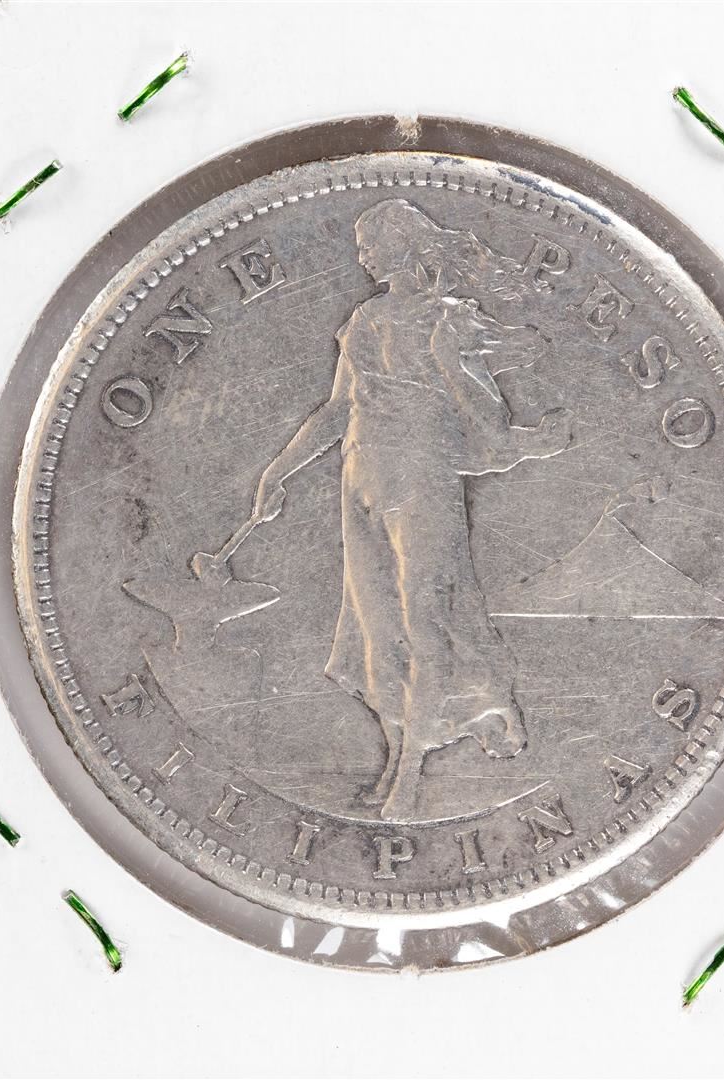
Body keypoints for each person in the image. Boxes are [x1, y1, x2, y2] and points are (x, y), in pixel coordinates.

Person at [244, 199, 572, 820]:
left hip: (421, 478)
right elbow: (337, 411)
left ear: (403, 246)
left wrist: (530, 439)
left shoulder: (446, 318)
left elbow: (488, 401)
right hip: (362, 480)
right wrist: (276, 472)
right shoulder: (364, 320)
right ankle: (399, 753)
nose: (362, 255)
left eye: (371, 243)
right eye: (362, 244)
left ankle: (412, 774)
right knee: (379, 630)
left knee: (425, 622)